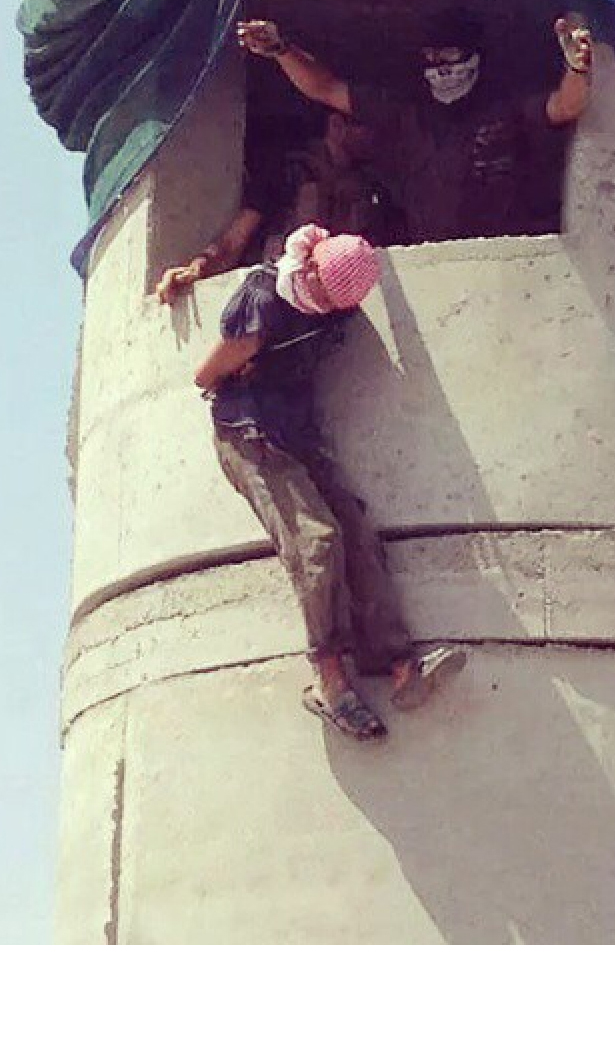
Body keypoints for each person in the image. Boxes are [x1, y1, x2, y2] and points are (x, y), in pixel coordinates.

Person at [194, 222, 465, 741]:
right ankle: (329, 678)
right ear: (310, 264)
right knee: (318, 541)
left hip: (298, 433)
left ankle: (398, 664)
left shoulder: (334, 309)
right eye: (319, 288)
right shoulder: (264, 298)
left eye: (334, 300)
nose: (321, 302)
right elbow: (205, 376)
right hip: (249, 432)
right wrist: (247, 370)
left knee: (357, 534)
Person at [236, 14, 594, 244]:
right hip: (430, 270)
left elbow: (565, 106)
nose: (439, 67)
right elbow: (325, 88)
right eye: (431, 59)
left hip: (505, 272)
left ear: (474, 58)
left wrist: (577, 68)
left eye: (449, 56)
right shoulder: (404, 117)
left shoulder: (505, 113)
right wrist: (281, 50)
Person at [154, 108, 403, 304]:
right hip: (271, 302)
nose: (377, 136)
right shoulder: (287, 173)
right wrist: (197, 268)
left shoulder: (373, 192)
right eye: (367, 126)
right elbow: (233, 242)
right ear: (337, 125)